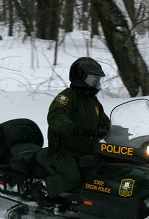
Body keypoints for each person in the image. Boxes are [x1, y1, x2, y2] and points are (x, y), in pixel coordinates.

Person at [31, 57, 110, 206]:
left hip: (87, 150)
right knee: (72, 177)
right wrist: (74, 129)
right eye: (92, 79)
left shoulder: (92, 101)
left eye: (97, 80)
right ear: (80, 78)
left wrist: (120, 131)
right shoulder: (66, 97)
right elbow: (55, 116)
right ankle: (41, 189)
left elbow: (105, 121)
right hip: (64, 151)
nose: (96, 84)